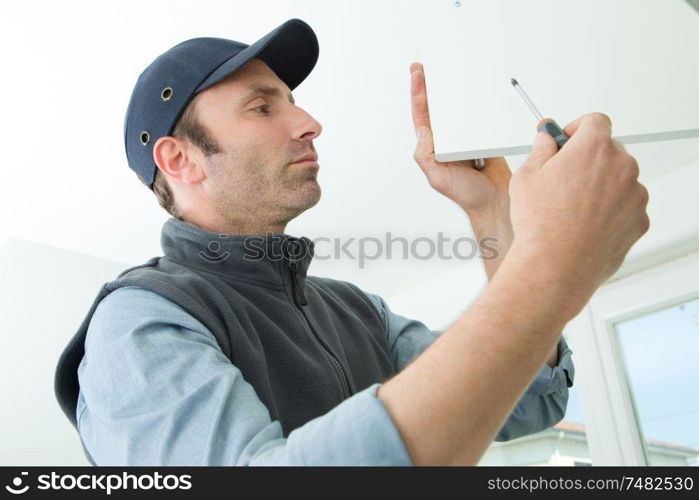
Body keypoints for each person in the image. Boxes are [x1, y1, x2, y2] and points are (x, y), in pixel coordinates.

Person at [54, 18, 648, 466]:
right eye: (263, 106)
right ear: (180, 158)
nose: (309, 121)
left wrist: (493, 210)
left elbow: (527, 404)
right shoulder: (139, 321)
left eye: (293, 100)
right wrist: (552, 266)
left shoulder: (356, 309)